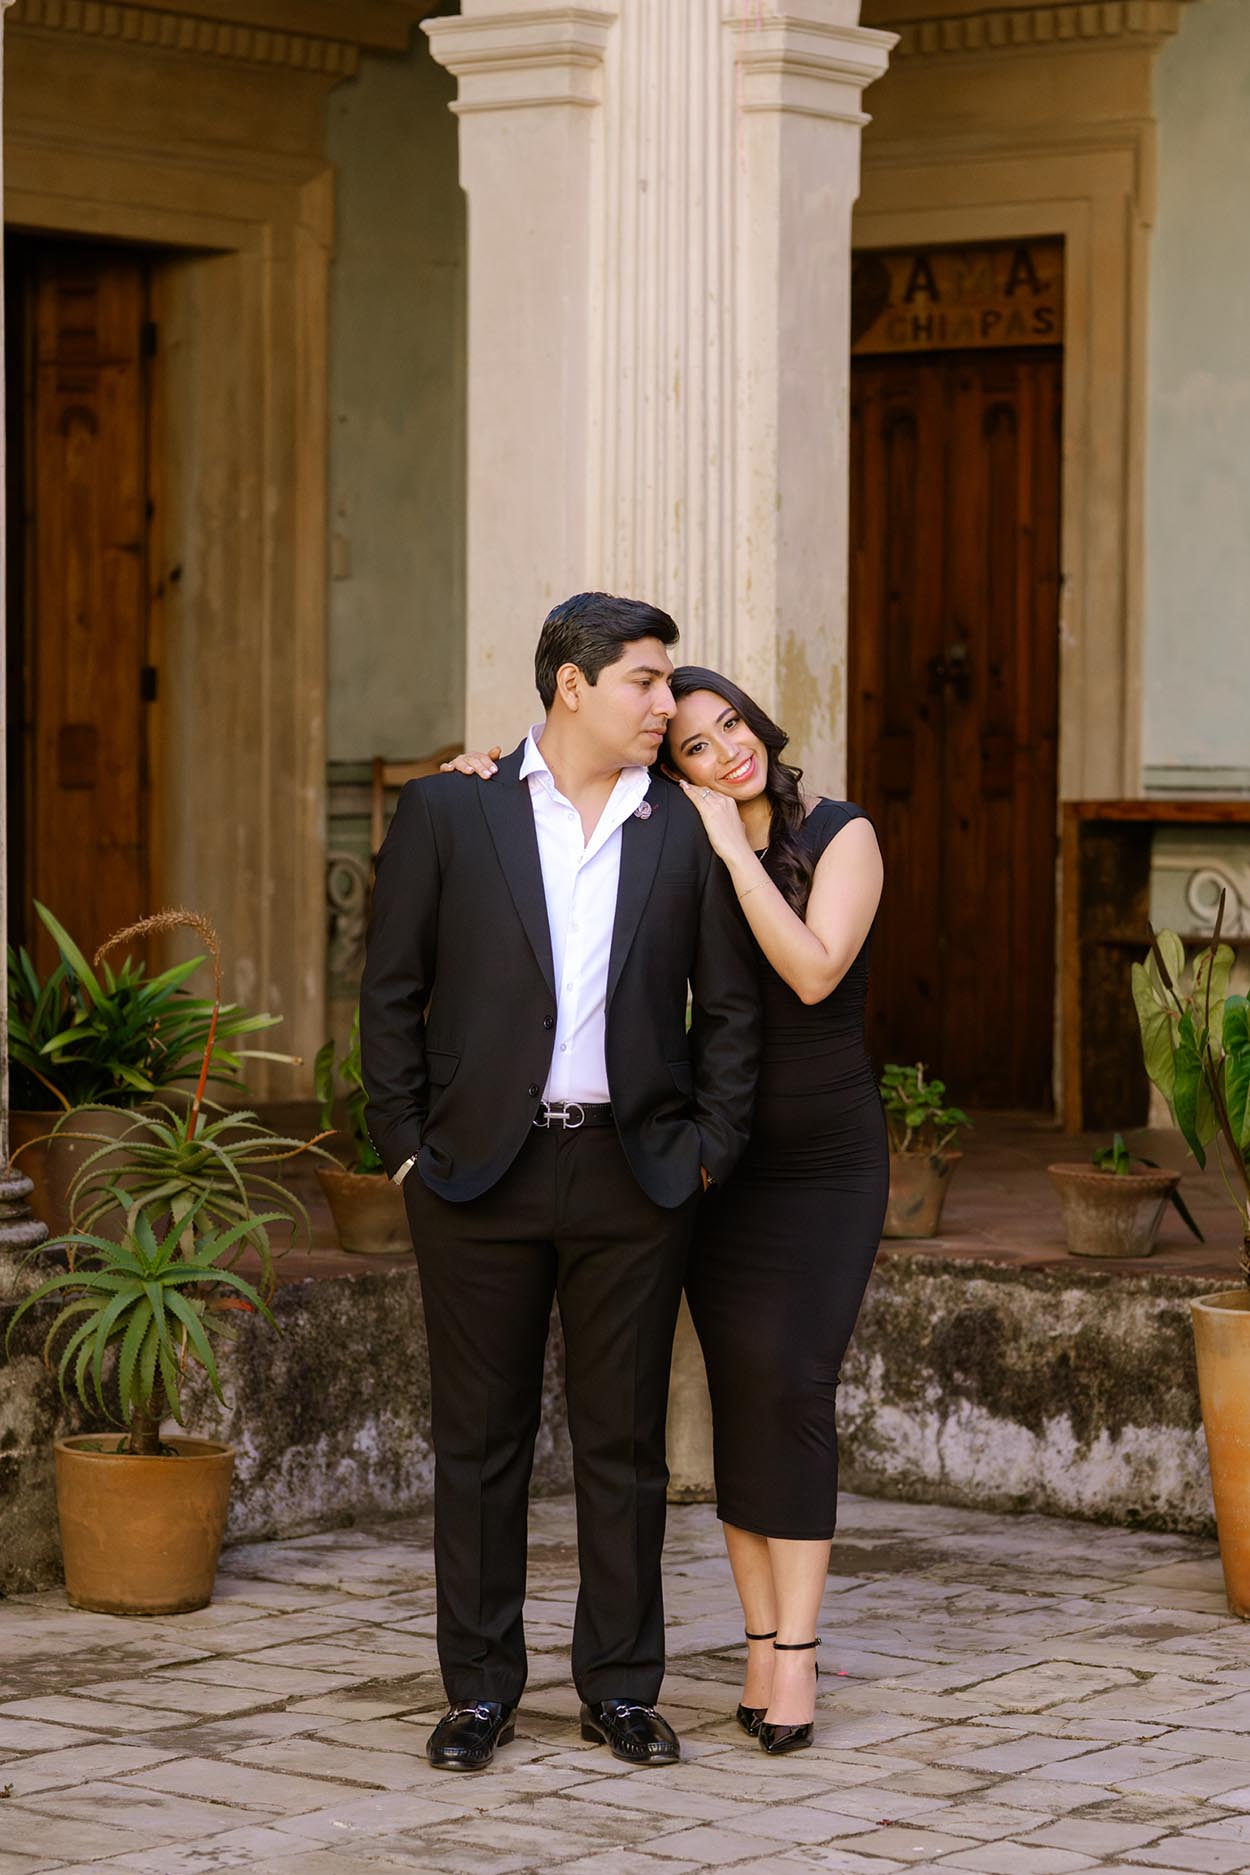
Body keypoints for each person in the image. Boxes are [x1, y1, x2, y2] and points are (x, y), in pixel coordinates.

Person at [446, 662, 886, 1756]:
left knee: (793, 1383)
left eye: (732, 724)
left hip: (824, 1165)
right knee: (738, 1393)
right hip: (714, 1161)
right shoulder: (672, 832)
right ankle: (756, 1645)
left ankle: (797, 1654)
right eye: (696, 743)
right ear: (670, 762)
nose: (727, 749)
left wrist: (732, 844)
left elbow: (813, 972)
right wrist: (485, 767)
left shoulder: (837, 834)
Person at [360, 596, 760, 1775]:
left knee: (624, 1446)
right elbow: (388, 992)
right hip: (474, 1174)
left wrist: (705, 1150)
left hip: (634, 1173)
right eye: (644, 680)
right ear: (571, 687)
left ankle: (620, 1689)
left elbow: (728, 1012)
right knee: (478, 1444)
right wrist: (403, 1147)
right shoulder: (450, 808)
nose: (666, 703)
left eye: (666, 681)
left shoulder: (684, 826)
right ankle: (479, 1691)